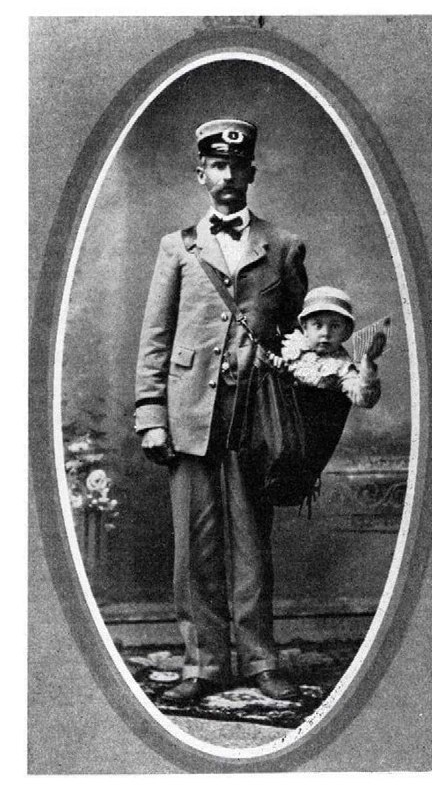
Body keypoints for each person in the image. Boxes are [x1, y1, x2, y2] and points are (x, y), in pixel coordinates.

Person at [135, 119, 308, 703]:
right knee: (195, 545)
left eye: (238, 167)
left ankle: (261, 660)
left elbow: (300, 339)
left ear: (251, 174)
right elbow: (156, 338)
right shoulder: (177, 247)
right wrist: (151, 415)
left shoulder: (283, 247)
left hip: (254, 416)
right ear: (201, 174)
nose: (228, 175)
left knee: (253, 543)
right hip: (188, 414)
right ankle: (203, 663)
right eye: (218, 166)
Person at [270, 285, 385, 408]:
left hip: (310, 416)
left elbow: (364, 399)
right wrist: (275, 365)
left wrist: (368, 364)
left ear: (346, 332)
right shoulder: (290, 345)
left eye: (334, 326)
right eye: (318, 325)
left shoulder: (342, 367)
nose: (325, 333)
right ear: (305, 327)